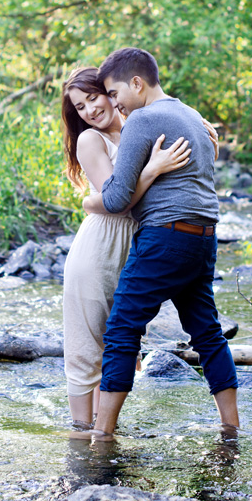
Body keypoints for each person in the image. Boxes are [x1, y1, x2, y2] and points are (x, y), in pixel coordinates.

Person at [79, 47, 239, 440]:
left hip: (165, 237)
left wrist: (88, 200)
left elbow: (115, 199)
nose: (114, 104)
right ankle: (232, 428)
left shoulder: (143, 120)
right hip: (203, 238)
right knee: (208, 333)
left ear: (137, 83)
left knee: (121, 328)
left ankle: (103, 434)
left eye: (115, 94)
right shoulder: (189, 114)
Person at [59, 66, 193, 429]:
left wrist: (204, 129)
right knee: (87, 349)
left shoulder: (141, 124)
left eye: (93, 98)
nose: (89, 111)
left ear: (110, 92)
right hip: (99, 249)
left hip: (137, 246)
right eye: (79, 107)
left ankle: (105, 432)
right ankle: (80, 436)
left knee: (122, 345)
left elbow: (178, 116)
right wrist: (152, 170)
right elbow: (115, 200)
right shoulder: (91, 140)